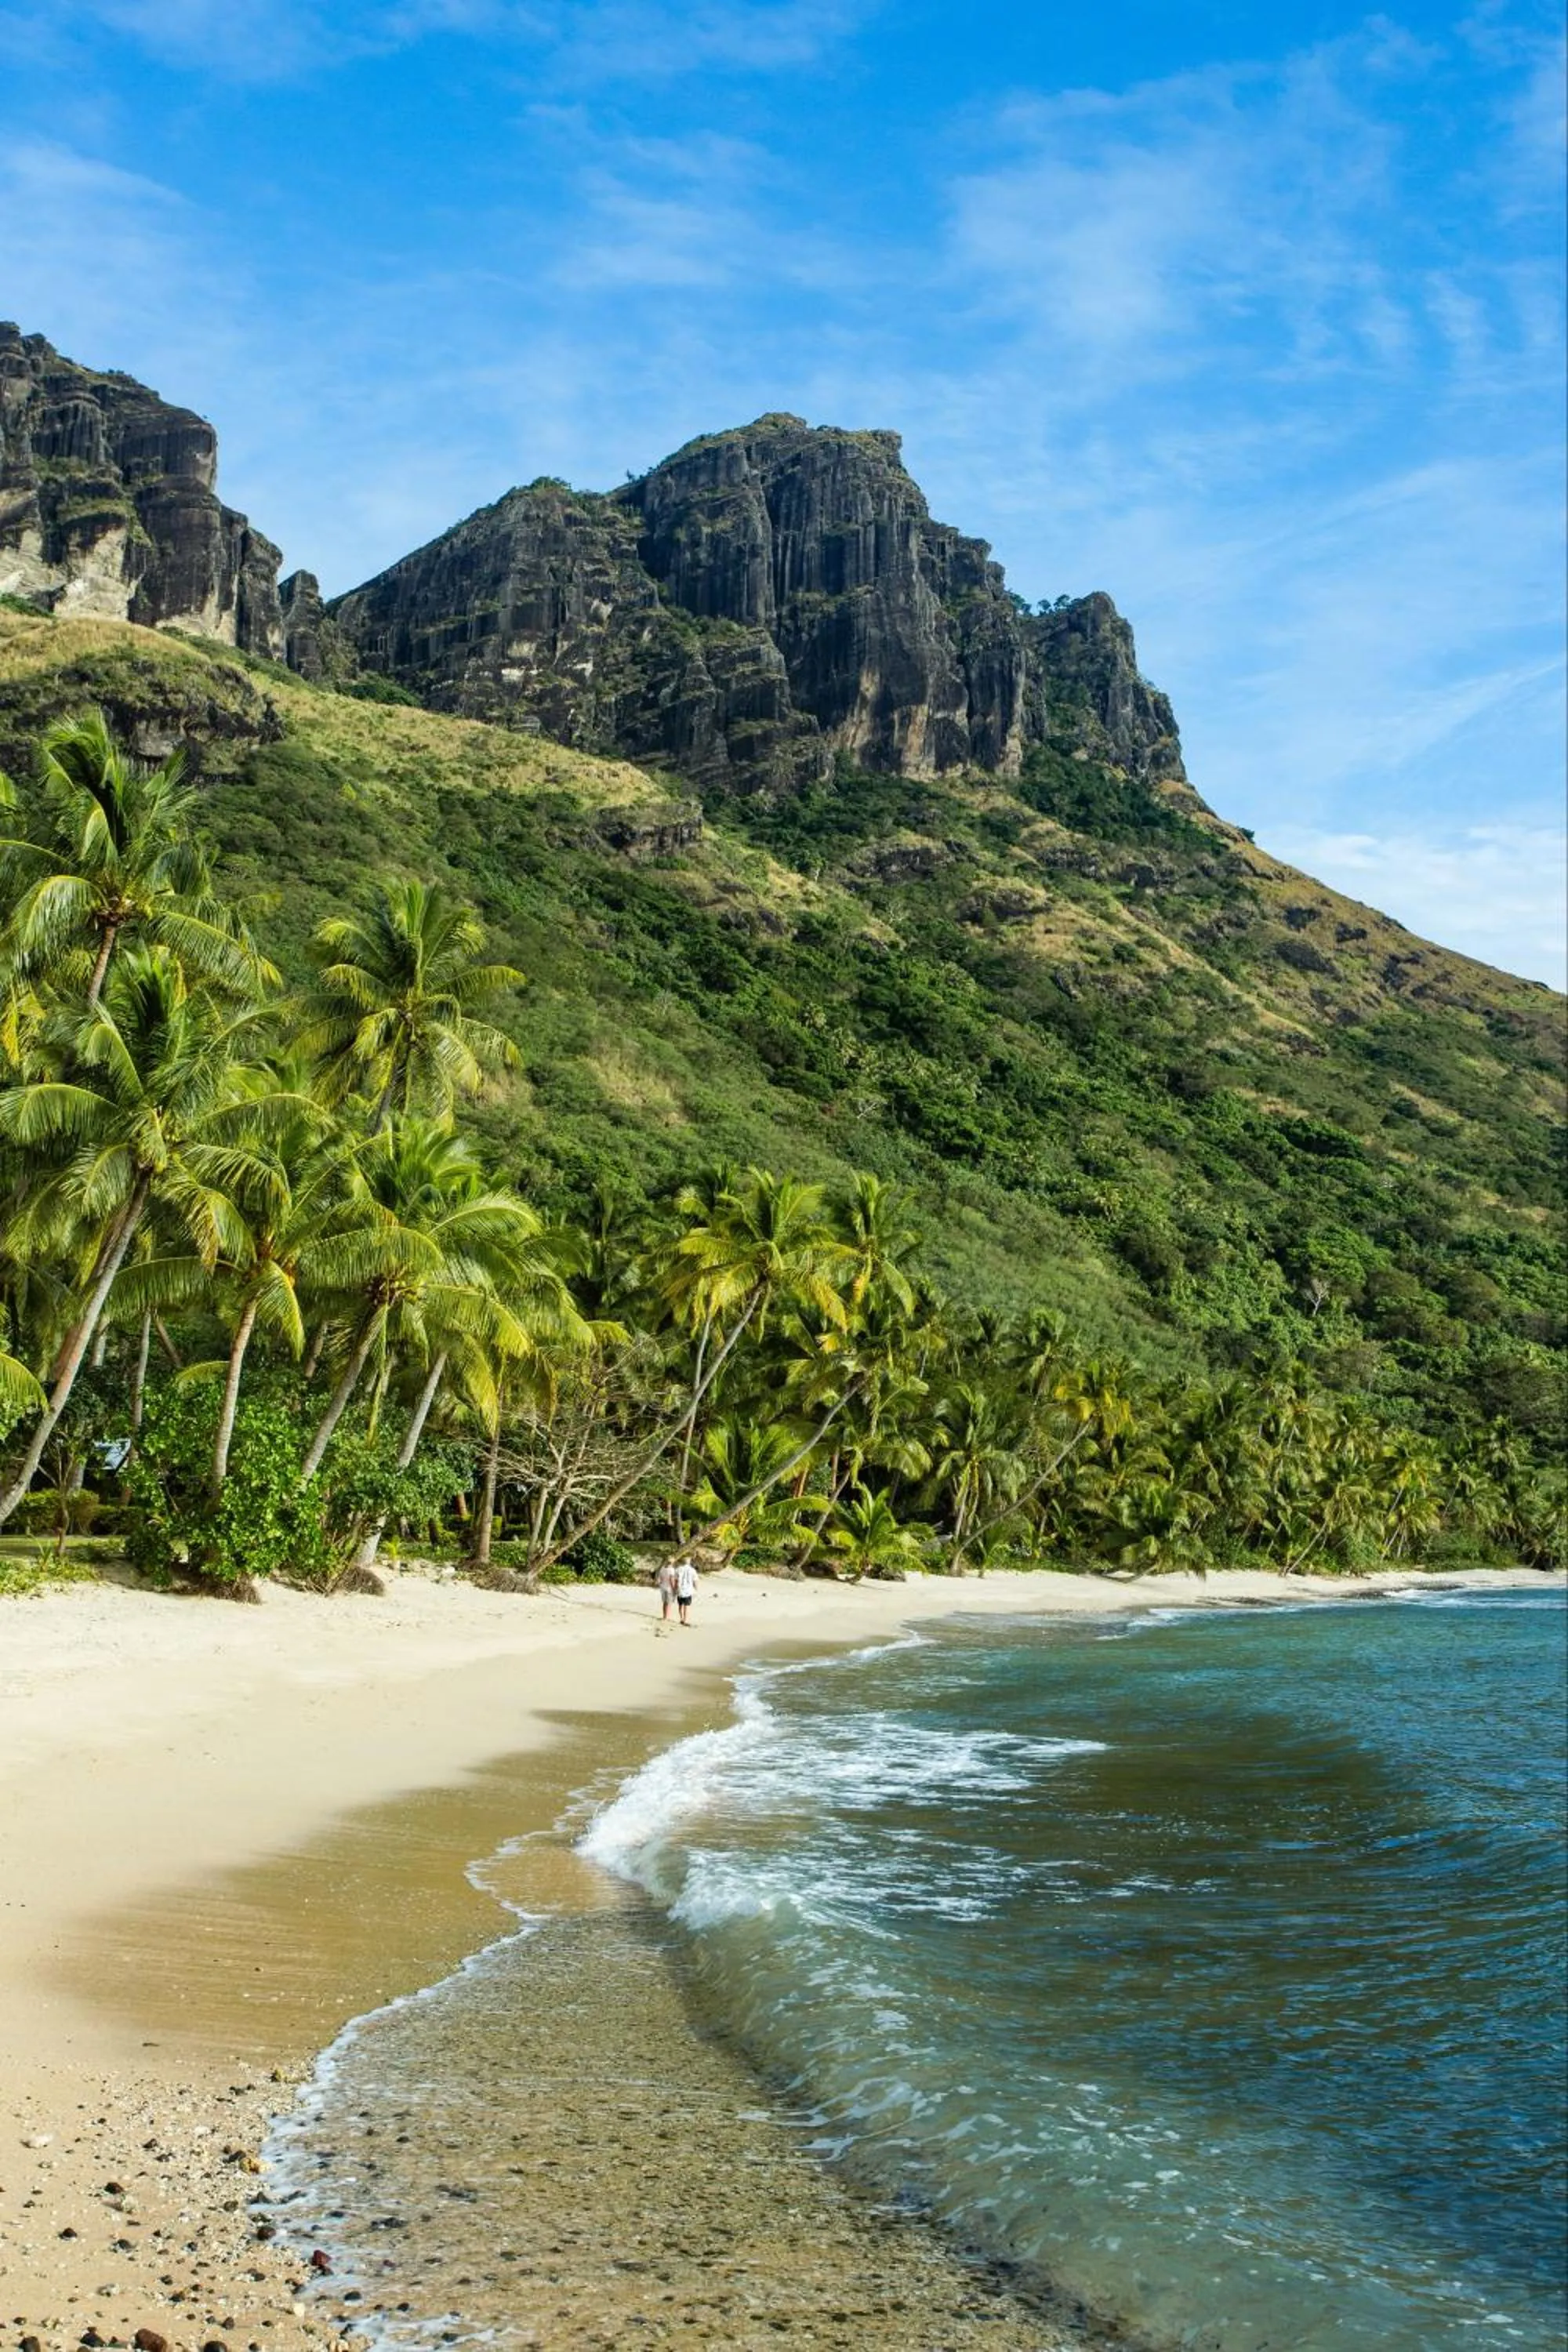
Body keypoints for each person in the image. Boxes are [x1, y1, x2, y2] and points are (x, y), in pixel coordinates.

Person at [673, 1552, 699, 1626]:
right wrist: (696, 1589)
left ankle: (681, 1619)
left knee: (680, 1605)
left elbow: (676, 1580)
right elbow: (695, 1581)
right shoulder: (692, 1570)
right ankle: (685, 1619)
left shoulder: (678, 1569)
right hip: (688, 1590)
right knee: (686, 1606)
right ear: (689, 1562)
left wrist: (675, 1589)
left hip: (680, 1590)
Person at [655, 1555, 677, 1624]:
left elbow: (660, 1579)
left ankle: (665, 1616)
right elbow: (672, 1581)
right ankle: (666, 1617)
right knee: (668, 1603)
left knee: (665, 1603)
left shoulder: (662, 1568)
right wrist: (674, 1589)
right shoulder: (672, 1570)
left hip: (663, 1587)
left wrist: (660, 1584)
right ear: (672, 1563)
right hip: (669, 1588)